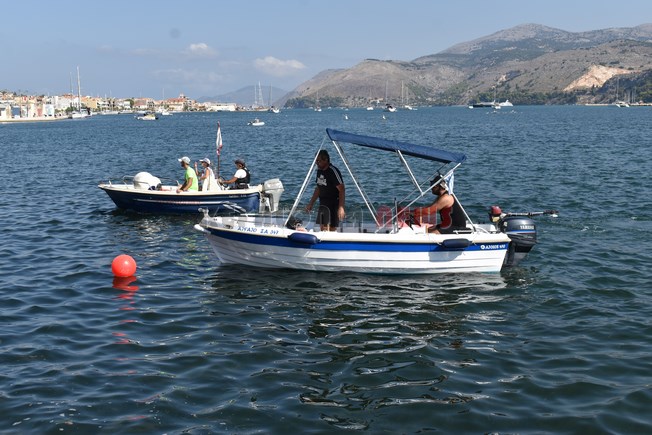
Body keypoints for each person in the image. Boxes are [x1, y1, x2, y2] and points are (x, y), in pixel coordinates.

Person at [305, 150, 345, 231]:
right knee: (323, 228)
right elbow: (318, 188)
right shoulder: (319, 171)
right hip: (323, 202)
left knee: (331, 228)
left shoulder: (333, 171)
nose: (317, 163)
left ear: (326, 160)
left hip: (333, 203)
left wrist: (341, 207)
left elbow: (342, 189)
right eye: (316, 161)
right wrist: (311, 203)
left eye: (319, 161)